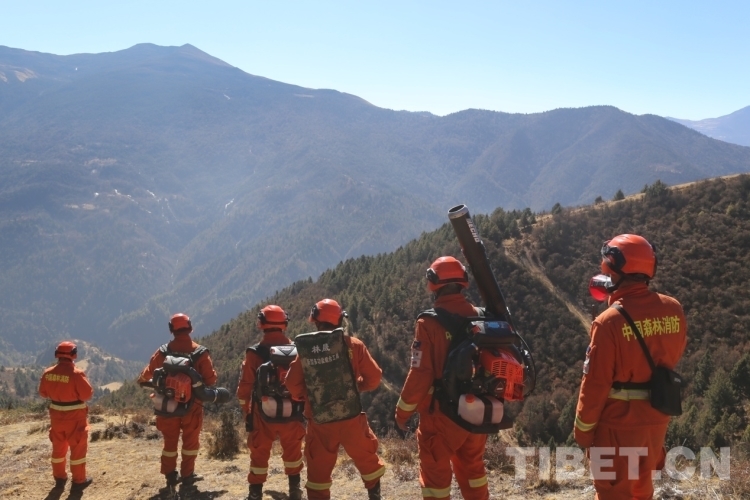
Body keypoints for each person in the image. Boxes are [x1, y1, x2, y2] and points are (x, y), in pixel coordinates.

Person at [574, 234, 687, 499]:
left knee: (613, 493)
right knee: (641, 490)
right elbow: (674, 353)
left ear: (614, 270)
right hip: (656, 423)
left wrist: (583, 433)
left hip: (617, 428)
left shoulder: (608, 323)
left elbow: (595, 384)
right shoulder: (674, 309)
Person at [395, 256, 490, 500]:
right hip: (477, 410)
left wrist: (402, 413)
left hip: (441, 415)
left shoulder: (428, 322)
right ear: (462, 283)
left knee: (435, 477)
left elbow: (421, 373)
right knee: (473, 470)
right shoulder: (481, 316)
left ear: (433, 284)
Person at [285, 298, 385, 500]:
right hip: (351, 417)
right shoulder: (353, 345)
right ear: (339, 320)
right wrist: (356, 387)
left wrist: (309, 395)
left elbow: (292, 384)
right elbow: (374, 378)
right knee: (367, 460)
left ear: (316, 321)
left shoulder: (307, 352)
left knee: (318, 473)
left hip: (320, 420)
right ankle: (375, 495)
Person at [138, 313, 218, 489]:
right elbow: (211, 380)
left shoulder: (163, 351)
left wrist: (142, 379)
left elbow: (149, 371)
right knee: (190, 442)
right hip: (192, 406)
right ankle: (187, 476)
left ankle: (170, 476)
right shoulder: (200, 352)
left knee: (169, 442)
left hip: (168, 405)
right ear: (190, 328)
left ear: (171, 330)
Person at [237, 305, 305, 500]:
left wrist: (247, 412)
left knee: (259, 452)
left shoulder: (254, 354)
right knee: (293, 450)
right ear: (284, 324)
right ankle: (295, 490)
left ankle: (255, 493)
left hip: (262, 412)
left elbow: (245, 388)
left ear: (261, 324)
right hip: (293, 411)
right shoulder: (297, 351)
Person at [38, 341, 94, 491]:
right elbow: (87, 395)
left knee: (58, 448)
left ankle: (59, 477)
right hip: (75, 418)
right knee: (77, 449)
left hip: (56, 418)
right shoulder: (76, 374)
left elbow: (43, 393)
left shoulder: (48, 373)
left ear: (57, 354)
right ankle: (79, 481)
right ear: (73, 354)